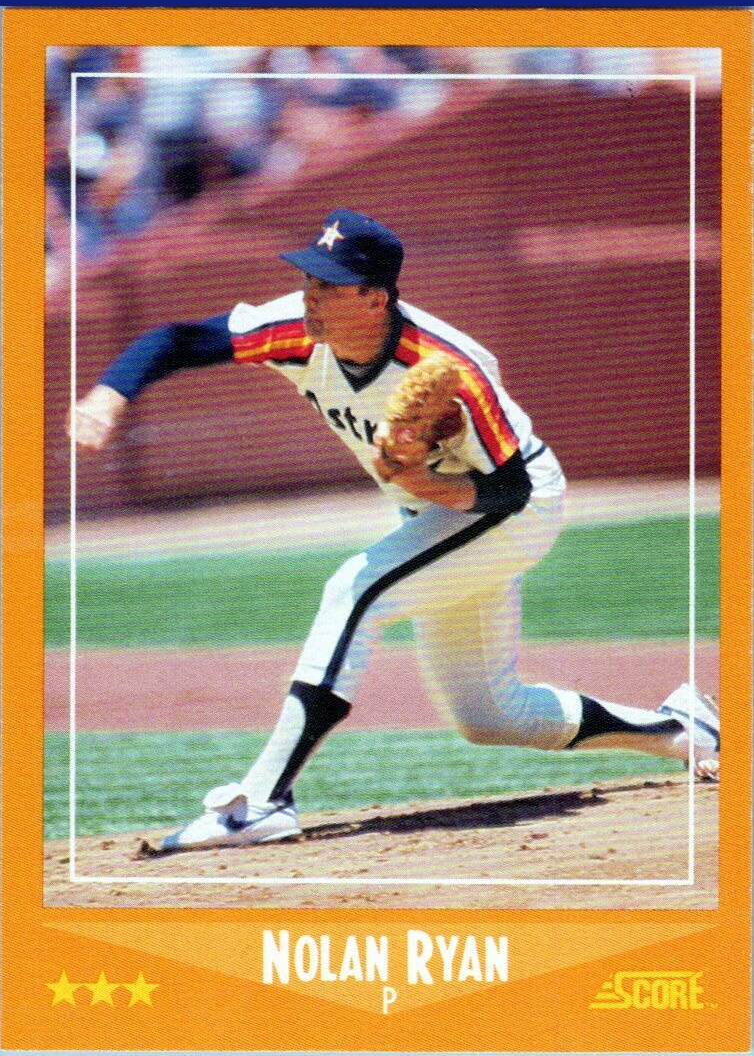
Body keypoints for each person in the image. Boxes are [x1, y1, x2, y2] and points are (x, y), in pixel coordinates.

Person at [68, 207, 720, 852]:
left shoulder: (447, 366)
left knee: (355, 591)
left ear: (375, 298)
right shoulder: (295, 330)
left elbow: (512, 489)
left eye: (329, 285)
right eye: (308, 278)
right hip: (437, 514)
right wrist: (108, 395)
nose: (310, 295)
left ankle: (262, 802)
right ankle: (679, 729)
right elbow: (178, 340)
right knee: (490, 714)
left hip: (517, 509)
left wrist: (425, 484)